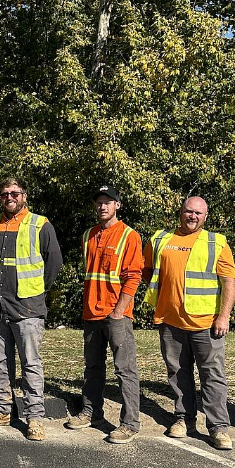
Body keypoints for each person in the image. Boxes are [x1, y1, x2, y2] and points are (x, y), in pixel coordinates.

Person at [0, 178, 63, 441]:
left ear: (24, 196)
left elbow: (53, 263)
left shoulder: (39, 224)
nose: (9, 197)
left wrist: (35, 291)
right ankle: (0, 409)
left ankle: (35, 417)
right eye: (4, 194)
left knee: (31, 364)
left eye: (14, 193)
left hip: (27, 307)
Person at [142, 196, 235, 451]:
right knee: (178, 373)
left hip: (207, 323)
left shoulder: (217, 242)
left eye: (198, 213)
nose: (192, 216)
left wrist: (223, 316)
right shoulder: (160, 239)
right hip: (170, 321)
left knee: (212, 376)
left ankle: (218, 427)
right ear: (180, 213)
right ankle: (184, 419)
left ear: (205, 217)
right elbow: (147, 271)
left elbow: (229, 282)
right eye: (188, 211)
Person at [65, 185, 144, 444]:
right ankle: (91, 412)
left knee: (125, 369)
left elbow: (133, 277)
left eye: (108, 202)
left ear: (117, 205)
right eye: (99, 202)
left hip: (116, 315)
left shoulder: (129, 236)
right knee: (93, 367)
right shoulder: (89, 234)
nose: (102, 206)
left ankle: (130, 422)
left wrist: (119, 311)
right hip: (91, 313)